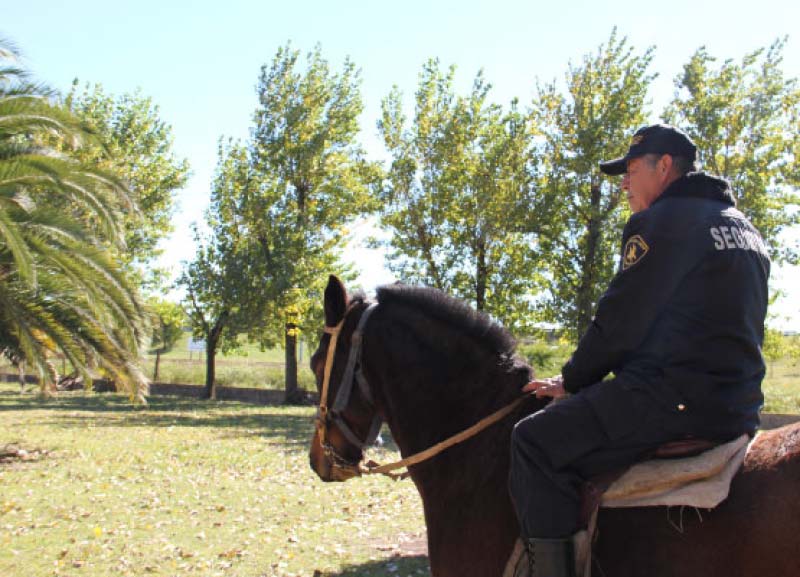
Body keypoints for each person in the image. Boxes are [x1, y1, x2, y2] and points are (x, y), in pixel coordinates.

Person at [509, 124, 771, 577]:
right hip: (738, 406)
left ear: (664, 166)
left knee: (533, 442)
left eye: (631, 170)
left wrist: (571, 380)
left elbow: (621, 322)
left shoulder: (662, 222)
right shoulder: (743, 227)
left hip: (668, 400)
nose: (624, 184)